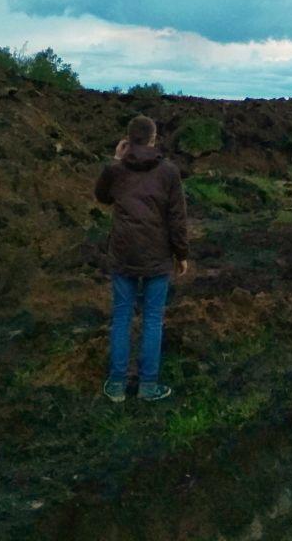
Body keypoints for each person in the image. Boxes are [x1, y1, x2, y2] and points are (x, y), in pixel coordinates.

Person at [95, 115, 189, 402]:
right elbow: (176, 217)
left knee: (122, 316)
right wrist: (181, 253)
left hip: (123, 253)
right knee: (152, 319)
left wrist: (115, 160)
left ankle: (116, 384)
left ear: (128, 138)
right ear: (153, 138)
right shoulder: (168, 172)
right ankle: (148, 385)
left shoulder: (117, 170)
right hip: (157, 255)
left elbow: (102, 196)